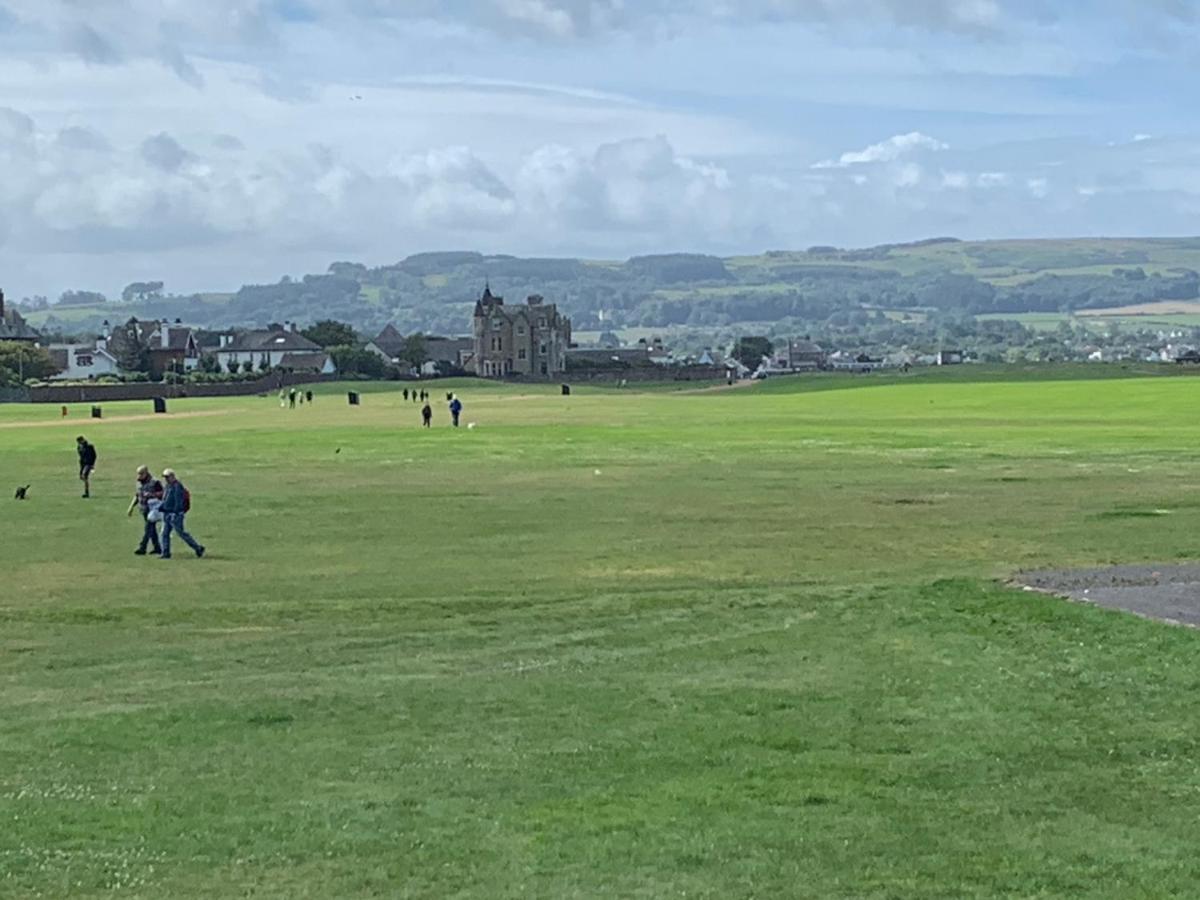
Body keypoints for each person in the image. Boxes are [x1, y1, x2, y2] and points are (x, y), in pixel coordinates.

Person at [158, 468, 205, 560]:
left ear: (172, 476)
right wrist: (162, 507)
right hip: (167, 513)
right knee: (164, 533)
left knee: (181, 533)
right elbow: (165, 498)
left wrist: (176, 512)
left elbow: (178, 501)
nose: (166, 479)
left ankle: (198, 548)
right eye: (165, 477)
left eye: (167, 477)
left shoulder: (177, 486)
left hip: (175, 514)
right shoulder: (168, 486)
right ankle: (165, 552)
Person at [127, 465, 164, 556]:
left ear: (146, 473)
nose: (139, 476)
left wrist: (152, 495)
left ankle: (142, 547)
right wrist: (131, 507)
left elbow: (163, 493)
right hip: (144, 509)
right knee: (151, 529)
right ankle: (157, 548)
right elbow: (137, 495)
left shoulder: (155, 482)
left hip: (153, 510)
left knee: (148, 529)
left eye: (141, 474)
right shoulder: (139, 483)